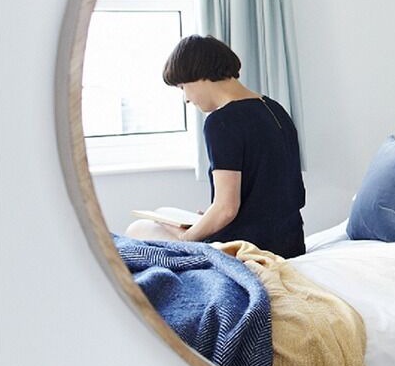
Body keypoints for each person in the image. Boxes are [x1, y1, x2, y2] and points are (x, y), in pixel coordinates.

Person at [126, 35, 306, 258]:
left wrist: (186, 239)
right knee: (163, 215)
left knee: (139, 229)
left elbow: (226, 209)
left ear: (199, 75)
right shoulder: (274, 108)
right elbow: (272, 193)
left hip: (247, 248)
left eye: (183, 86)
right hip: (291, 243)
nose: (186, 99)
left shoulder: (221, 121)